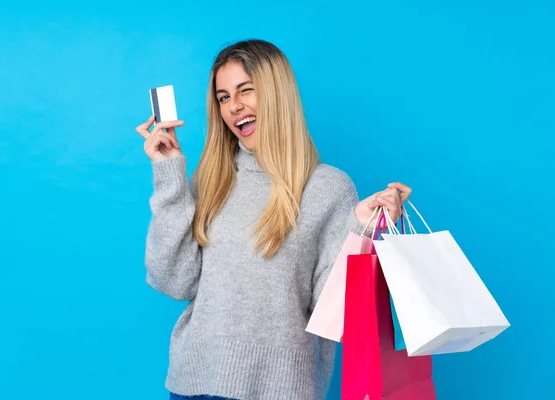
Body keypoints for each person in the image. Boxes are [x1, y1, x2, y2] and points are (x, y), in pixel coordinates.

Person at [135, 39, 411, 400]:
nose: (234, 106)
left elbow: (334, 316)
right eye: (222, 97)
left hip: (282, 389)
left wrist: (361, 228)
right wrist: (169, 175)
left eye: (245, 90)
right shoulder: (211, 180)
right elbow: (174, 282)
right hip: (195, 384)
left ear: (277, 92)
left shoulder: (328, 188)